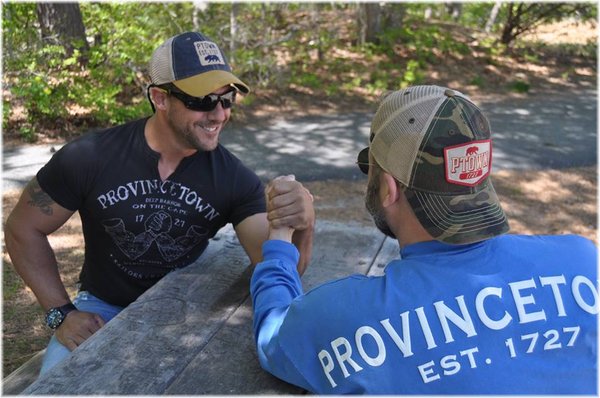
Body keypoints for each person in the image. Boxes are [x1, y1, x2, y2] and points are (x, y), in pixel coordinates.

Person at [251, 85, 597, 394]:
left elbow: (272, 336)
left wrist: (282, 237)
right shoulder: (584, 261)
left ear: (388, 188)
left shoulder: (343, 316)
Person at [4, 31, 315, 375]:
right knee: (57, 385)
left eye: (227, 100)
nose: (219, 114)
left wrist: (303, 223)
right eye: (202, 101)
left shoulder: (233, 178)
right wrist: (60, 313)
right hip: (101, 309)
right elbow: (23, 228)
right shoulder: (89, 158)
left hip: (186, 309)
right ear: (159, 97)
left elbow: (276, 265)